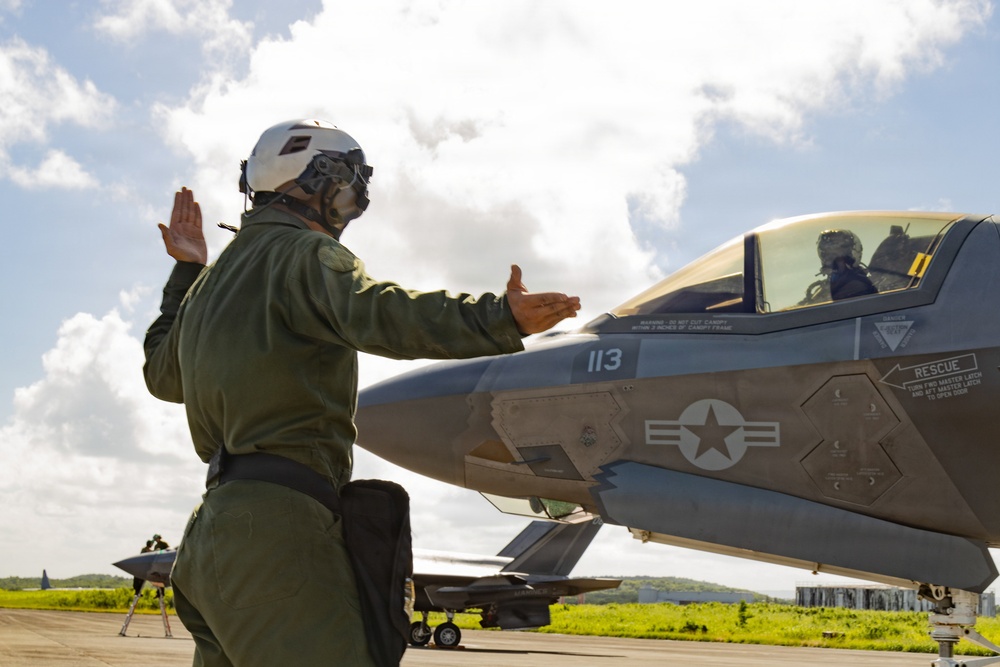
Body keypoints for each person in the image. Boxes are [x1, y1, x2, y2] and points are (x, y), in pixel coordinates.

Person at [143, 118, 581, 667]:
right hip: (280, 533)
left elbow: (161, 376)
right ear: (316, 181)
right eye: (348, 192)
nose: (349, 210)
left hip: (210, 538)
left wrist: (187, 272)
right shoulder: (304, 254)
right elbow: (378, 311)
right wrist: (497, 317)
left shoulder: (210, 283)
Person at [801, 228, 877, 305]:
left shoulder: (857, 286)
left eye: (838, 256)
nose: (832, 261)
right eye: (829, 255)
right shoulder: (826, 287)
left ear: (849, 257)